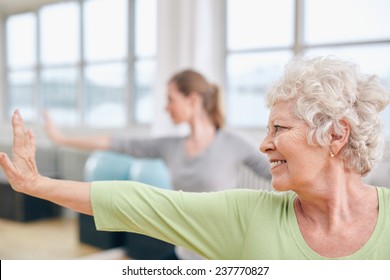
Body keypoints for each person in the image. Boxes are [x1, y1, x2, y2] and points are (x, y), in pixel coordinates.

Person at [1, 55, 390, 259]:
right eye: (267, 129)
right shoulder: (247, 214)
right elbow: (140, 198)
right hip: (187, 247)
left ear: (336, 135)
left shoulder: (233, 145)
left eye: (279, 130)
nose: (264, 143)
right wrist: (41, 177)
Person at [43, 69, 272, 260]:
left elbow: (276, 172)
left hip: (222, 255)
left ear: (192, 99)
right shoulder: (170, 146)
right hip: (184, 252)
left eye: (171, 99)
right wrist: (62, 139)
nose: (166, 107)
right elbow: (118, 143)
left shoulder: (234, 143)